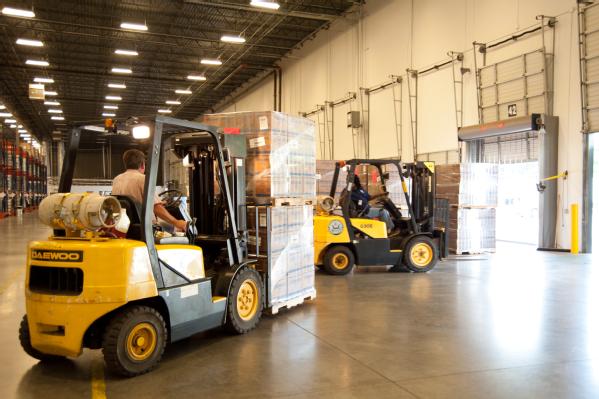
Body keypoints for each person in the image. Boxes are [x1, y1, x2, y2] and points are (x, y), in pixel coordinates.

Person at [112, 149, 187, 231]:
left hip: (125, 226)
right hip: (146, 228)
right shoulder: (144, 179)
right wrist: (176, 222)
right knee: (177, 229)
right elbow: (156, 208)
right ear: (142, 165)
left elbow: (132, 201)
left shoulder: (116, 179)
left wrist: (159, 202)